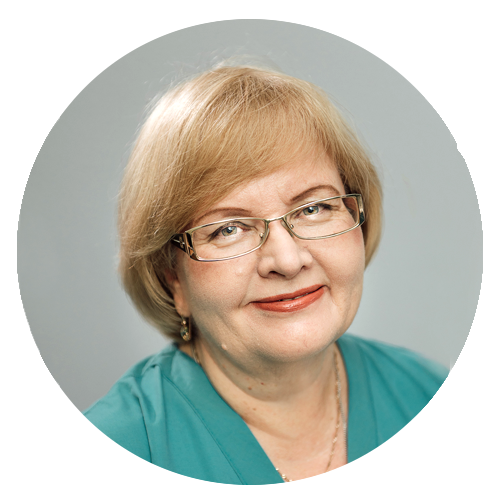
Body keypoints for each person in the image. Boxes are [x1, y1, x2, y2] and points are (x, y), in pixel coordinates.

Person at [83, 64, 449, 484]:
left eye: (314, 208)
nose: (288, 261)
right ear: (173, 278)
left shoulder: (426, 395)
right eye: (228, 229)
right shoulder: (111, 451)